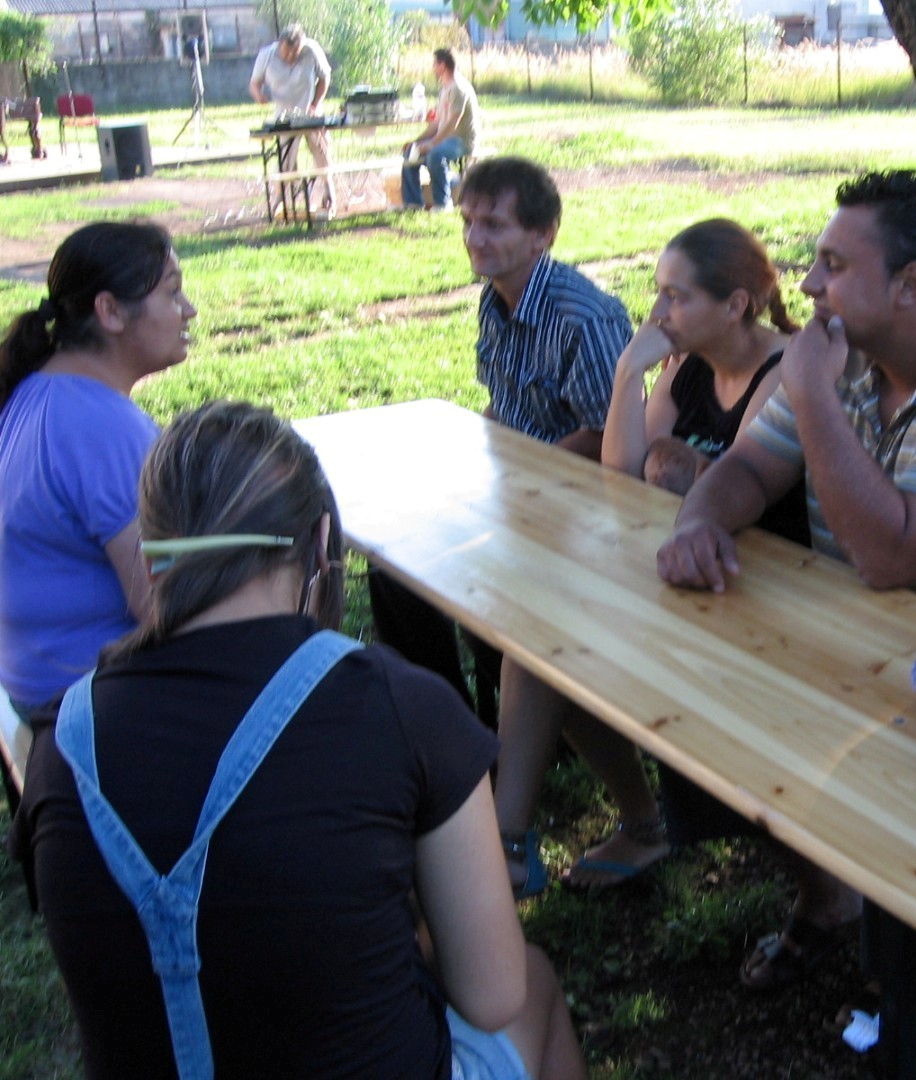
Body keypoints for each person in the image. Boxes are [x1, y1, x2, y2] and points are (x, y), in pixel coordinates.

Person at [7, 400, 585, 1080]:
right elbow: (492, 996)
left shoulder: (60, 746)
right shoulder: (402, 708)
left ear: (151, 554)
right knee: (533, 985)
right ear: (320, 540)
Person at [657, 170, 916, 990]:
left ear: (911, 285)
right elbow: (747, 468)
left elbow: (890, 557)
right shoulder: (848, 353)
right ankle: (829, 892)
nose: (807, 286)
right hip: (849, 632)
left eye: (833, 265)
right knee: (684, 695)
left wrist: (811, 395)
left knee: (750, 706)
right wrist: (698, 523)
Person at [494, 218, 806, 895]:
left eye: (676, 296)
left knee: (561, 635)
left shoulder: (783, 371)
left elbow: (736, 483)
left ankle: (526, 846)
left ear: (736, 305)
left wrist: (680, 469)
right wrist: (627, 373)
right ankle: (521, 839)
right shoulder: (690, 364)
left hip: (764, 592)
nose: (658, 311)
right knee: (542, 631)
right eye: (658, 292)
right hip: (685, 568)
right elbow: (623, 472)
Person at [368, 157, 629, 738]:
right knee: (393, 569)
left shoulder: (584, 317)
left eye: (493, 224)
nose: (473, 238)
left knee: (475, 582)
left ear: (543, 235)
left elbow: (610, 437)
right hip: (512, 490)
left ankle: (540, 729)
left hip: (575, 512)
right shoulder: (495, 299)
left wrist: (512, 480)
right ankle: (445, 726)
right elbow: (503, 407)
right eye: (467, 221)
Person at [0, 222, 194, 741]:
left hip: (37, 684)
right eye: (172, 293)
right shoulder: (101, 426)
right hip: (88, 703)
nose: (189, 310)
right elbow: (161, 605)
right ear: (110, 312)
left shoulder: (37, 391)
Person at [249, 23, 333, 210]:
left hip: (310, 114)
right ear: (280, 44)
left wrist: (315, 104)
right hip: (284, 117)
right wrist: (259, 96)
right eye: (287, 52)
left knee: (322, 151)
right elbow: (254, 84)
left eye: (295, 53)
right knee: (285, 160)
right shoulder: (266, 55)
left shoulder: (312, 50)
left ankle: (329, 192)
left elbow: (325, 78)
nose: (291, 57)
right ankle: (280, 198)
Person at [401, 48, 482, 212]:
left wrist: (432, 144)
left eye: (434, 64)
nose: (433, 68)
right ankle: (413, 204)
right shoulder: (445, 88)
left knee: (435, 154)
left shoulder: (458, 88)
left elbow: (453, 123)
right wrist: (416, 141)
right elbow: (437, 123)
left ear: (442, 65)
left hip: (461, 141)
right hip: (446, 138)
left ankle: (442, 204)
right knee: (411, 151)